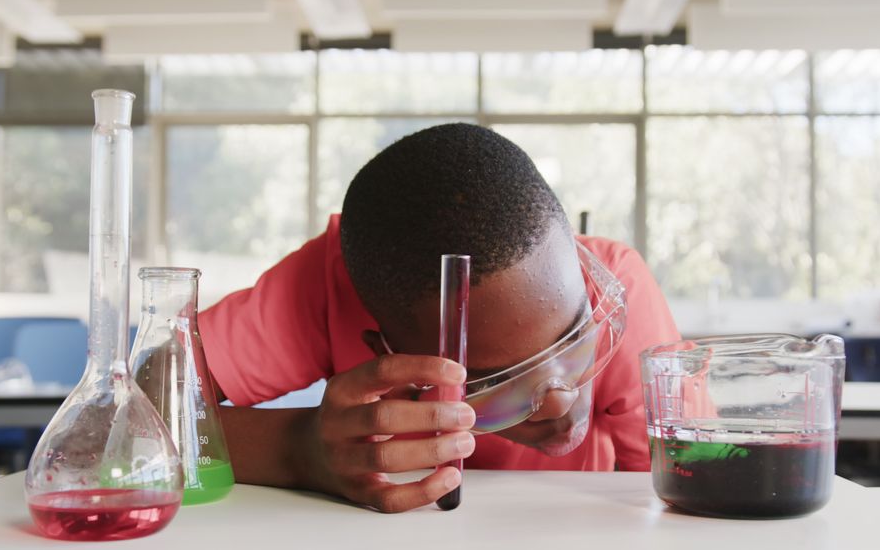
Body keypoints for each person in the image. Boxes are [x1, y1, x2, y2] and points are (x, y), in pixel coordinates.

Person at [200, 123, 679, 513]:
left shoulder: (616, 283)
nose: (560, 403)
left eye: (574, 338)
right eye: (496, 382)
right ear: (384, 350)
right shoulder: (328, 284)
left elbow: (685, 491)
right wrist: (300, 450)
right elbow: (160, 408)